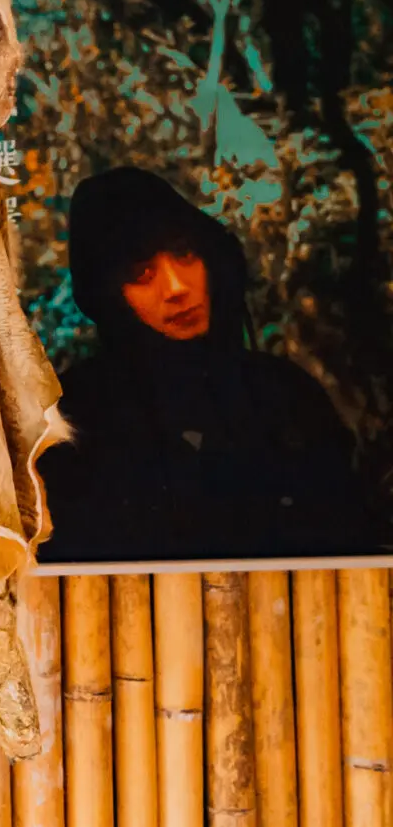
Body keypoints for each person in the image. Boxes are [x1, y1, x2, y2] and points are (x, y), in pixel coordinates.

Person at [35, 166, 374, 563]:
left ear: (212, 258)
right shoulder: (74, 418)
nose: (177, 288)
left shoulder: (286, 395)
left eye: (184, 254)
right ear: (108, 295)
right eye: (142, 274)